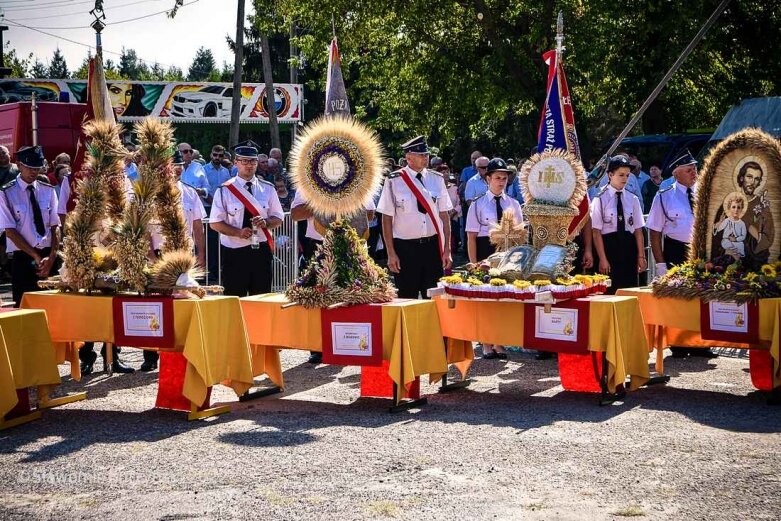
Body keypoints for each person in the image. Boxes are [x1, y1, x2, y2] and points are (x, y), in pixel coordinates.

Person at [291, 191, 376, 364]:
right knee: (318, 293)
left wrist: (347, 207)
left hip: (349, 242)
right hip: (318, 242)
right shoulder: (311, 182)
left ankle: (347, 343)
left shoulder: (355, 181)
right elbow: (295, 214)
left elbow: (370, 213)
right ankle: (317, 347)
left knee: (350, 292)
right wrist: (322, 204)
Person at [647, 150, 716, 358]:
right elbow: (655, 231)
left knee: (701, 297)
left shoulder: (704, 192)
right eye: (689, 169)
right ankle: (679, 342)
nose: (694, 173)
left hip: (701, 252)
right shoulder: (664, 196)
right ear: (676, 172)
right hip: (676, 249)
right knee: (678, 299)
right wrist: (660, 264)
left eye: (695, 168)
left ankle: (702, 343)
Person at [142, 150, 207, 371]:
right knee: (154, 306)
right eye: (174, 164)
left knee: (182, 305)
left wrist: (201, 256)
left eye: (180, 164)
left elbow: (198, 228)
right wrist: (150, 255)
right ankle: (150, 356)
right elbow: (143, 229)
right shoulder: (151, 196)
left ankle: (182, 349)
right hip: (158, 256)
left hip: (183, 256)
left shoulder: (190, 194)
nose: (177, 168)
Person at [377, 135, 452, 298]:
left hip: (432, 246)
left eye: (426, 154)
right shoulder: (394, 181)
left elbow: (444, 216)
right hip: (405, 248)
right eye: (421, 155)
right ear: (408, 157)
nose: (426, 158)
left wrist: (447, 249)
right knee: (406, 297)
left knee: (434, 299)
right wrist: (390, 253)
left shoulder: (436, 179)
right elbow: (387, 219)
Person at [465, 158, 523, 359]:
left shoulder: (513, 204)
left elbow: (520, 235)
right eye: (497, 177)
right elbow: (471, 236)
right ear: (488, 178)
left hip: (507, 252)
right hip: (485, 250)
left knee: (503, 299)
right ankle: (486, 343)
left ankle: (499, 342)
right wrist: (473, 263)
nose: (501, 181)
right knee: (486, 299)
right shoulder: (478, 203)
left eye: (505, 178)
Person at [209, 144, 283, 297]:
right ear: (236, 162)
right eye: (245, 161)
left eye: (253, 162)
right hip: (234, 252)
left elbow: (278, 217)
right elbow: (215, 222)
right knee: (235, 299)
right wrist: (237, 232)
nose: (249, 165)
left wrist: (267, 223)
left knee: (262, 297)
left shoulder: (268, 188)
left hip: (261, 250)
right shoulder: (224, 190)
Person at [0, 146, 60, 307]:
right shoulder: (6, 193)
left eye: (37, 167)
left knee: (55, 309)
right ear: (19, 165)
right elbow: (10, 231)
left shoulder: (47, 190)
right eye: (29, 167)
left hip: (49, 257)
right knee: (25, 308)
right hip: (24, 257)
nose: (34, 171)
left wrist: (52, 256)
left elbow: (56, 226)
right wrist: (35, 256)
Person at [591, 155, 647, 294]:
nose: (625, 179)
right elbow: (596, 231)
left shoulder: (632, 198)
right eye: (621, 175)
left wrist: (641, 256)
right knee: (609, 289)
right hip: (609, 246)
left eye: (627, 175)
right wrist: (603, 258)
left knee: (629, 289)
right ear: (610, 175)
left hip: (628, 246)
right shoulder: (600, 199)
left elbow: (638, 230)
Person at [714, 192, 747, 258]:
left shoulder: (742, 223)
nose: (736, 210)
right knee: (725, 243)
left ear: (741, 209)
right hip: (727, 240)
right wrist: (720, 222)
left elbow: (743, 236)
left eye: (738, 207)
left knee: (741, 245)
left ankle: (737, 257)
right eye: (733, 207)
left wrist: (736, 239)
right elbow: (719, 229)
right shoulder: (727, 221)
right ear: (729, 208)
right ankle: (731, 254)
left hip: (737, 242)